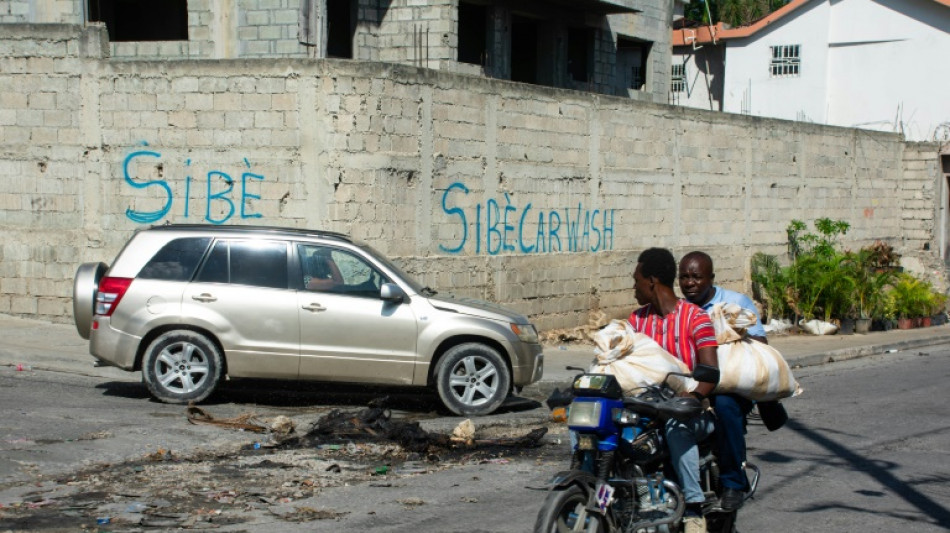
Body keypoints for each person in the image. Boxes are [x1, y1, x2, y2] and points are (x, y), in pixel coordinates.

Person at [629, 248, 719, 533]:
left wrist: (692, 397)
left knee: (676, 426)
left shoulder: (695, 318)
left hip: (689, 412)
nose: (634, 288)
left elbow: (711, 372)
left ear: (652, 281)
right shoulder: (636, 321)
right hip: (646, 408)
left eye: (637, 281)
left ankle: (693, 509)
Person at [678, 250, 766, 512]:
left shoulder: (734, 302)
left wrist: (724, 335)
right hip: (692, 381)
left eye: (696, 277)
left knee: (726, 407)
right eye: (684, 277)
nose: (690, 283)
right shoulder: (681, 310)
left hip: (730, 384)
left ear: (711, 278)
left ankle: (733, 483)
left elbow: (761, 343)